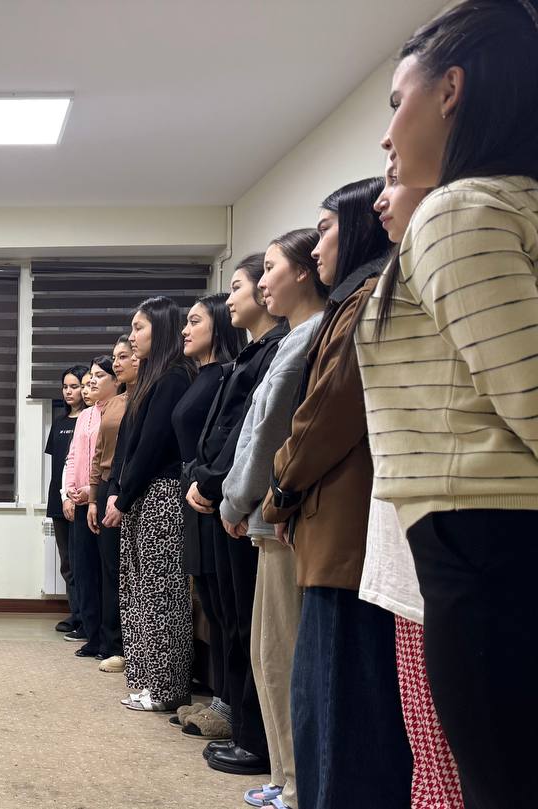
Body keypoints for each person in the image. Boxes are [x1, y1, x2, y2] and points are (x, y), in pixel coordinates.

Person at [357, 5, 538, 803]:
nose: (387, 137)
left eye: (398, 102)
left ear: (452, 90)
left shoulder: (461, 211)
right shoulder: (504, 203)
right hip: (489, 530)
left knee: (500, 781)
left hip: (487, 535)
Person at [260, 177, 410, 809]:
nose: (317, 244)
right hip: (332, 524)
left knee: (339, 702)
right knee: (321, 695)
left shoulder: (363, 299)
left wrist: (279, 489)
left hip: (344, 530)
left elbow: (323, 415)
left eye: (324, 229)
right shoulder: (354, 298)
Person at [357, 150, 462, 809]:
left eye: (394, 179)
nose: (380, 198)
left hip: (459, 533)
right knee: (430, 743)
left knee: (466, 749)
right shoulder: (405, 271)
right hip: (409, 539)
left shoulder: (465, 237)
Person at [219, 229, 326, 797]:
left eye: (270, 268)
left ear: (304, 271)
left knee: (281, 657)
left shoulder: (309, 336)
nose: (262, 283)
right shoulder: (292, 339)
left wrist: (235, 498)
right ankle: (284, 779)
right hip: (264, 517)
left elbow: (267, 436)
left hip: (278, 518)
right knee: (268, 655)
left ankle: (295, 787)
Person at [187, 254, 283, 805]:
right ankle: (237, 720)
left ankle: (252, 737)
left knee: (248, 622)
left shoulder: (279, 348)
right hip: (221, 494)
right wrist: (205, 477)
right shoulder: (249, 354)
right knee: (228, 616)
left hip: (241, 501)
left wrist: (217, 483)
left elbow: (253, 431)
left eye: (239, 285)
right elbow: (222, 430)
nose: (231, 298)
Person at [105, 296, 196, 713]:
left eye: (139, 327)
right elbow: (129, 445)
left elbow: (152, 446)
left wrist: (122, 497)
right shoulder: (150, 379)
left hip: (161, 494)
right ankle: (144, 680)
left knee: (161, 592)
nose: (133, 336)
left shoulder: (175, 377)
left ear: (160, 329)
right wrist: (120, 491)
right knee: (137, 591)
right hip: (140, 494)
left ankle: (166, 686)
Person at [172, 292, 245, 740]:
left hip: (212, 495)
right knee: (213, 608)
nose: (186, 329)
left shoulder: (225, 374)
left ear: (218, 324)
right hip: (195, 492)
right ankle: (220, 700)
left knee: (227, 611)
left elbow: (223, 441)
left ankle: (231, 707)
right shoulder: (201, 376)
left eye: (195, 321)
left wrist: (205, 480)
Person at [68, 353, 119, 661]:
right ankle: (92, 635)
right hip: (81, 500)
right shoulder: (86, 414)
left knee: (105, 571)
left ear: (115, 380)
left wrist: (92, 490)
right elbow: (74, 455)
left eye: (99, 376)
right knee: (84, 569)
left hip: (101, 497)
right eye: (91, 376)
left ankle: (110, 639)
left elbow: (107, 460)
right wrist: (69, 491)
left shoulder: (119, 409)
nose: (92, 382)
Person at [91, 340, 136, 672]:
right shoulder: (114, 403)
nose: (118, 363)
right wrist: (94, 497)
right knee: (109, 569)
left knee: (130, 571)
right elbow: (99, 452)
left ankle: (131, 646)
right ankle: (111, 643)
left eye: (124, 356)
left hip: (134, 486)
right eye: (115, 357)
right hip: (108, 484)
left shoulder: (147, 397)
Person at [44, 364, 87, 634]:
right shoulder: (59, 423)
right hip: (57, 500)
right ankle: (76, 614)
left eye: (75, 386)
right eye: (65, 387)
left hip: (81, 500)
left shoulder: (90, 420)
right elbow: (57, 464)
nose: (69, 391)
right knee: (67, 563)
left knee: (83, 562)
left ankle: (87, 618)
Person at [59, 369, 99, 646]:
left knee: (93, 568)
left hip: (95, 497)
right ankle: (82, 620)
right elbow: (69, 459)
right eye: (73, 386)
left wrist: (89, 492)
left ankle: (92, 626)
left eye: (84, 384)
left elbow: (101, 459)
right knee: (74, 565)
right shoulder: (79, 418)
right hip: (73, 497)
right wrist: (67, 493)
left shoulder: (108, 413)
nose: (83, 389)